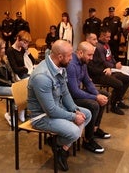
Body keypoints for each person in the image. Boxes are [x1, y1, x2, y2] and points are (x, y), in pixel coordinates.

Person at [27, 40, 91, 171]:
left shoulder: (60, 67)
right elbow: (50, 110)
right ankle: (58, 144)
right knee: (74, 131)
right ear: (60, 56)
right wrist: (73, 117)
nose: (71, 58)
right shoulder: (42, 76)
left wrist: (75, 110)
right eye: (69, 56)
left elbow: (65, 93)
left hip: (56, 109)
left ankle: (61, 149)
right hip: (41, 117)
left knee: (86, 114)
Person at [66, 41, 110, 154]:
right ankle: (87, 140)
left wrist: (97, 94)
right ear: (80, 53)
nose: (91, 58)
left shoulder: (83, 62)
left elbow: (87, 81)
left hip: (77, 93)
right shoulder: (71, 65)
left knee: (104, 95)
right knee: (94, 104)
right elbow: (74, 92)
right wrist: (95, 98)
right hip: (69, 98)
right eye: (89, 55)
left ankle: (94, 128)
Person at [86, 32, 129, 115]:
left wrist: (109, 68)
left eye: (96, 39)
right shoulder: (86, 51)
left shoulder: (96, 49)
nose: (96, 41)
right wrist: (105, 70)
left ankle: (118, 100)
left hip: (104, 71)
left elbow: (103, 61)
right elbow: (91, 68)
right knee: (118, 84)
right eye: (94, 39)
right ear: (87, 40)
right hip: (96, 75)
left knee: (127, 78)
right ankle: (113, 106)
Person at [95, 28, 129, 100]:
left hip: (113, 65)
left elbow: (110, 57)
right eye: (107, 37)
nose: (109, 39)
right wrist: (114, 66)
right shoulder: (99, 47)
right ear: (102, 36)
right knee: (127, 76)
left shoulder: (106, 44)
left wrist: (116, 63)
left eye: (110, 37)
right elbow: (103, 62)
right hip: (108, 68)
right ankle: (118, 97)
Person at [0, 37, 25, 124]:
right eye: (2, 48)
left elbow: (11, 73)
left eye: (4, 47)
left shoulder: (4, 59)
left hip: (7, 85)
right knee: (17, 92)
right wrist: (10, 84)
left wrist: (14, 83)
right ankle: (11, 115)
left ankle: (19, 110)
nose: (4, 50)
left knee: (23, 89)